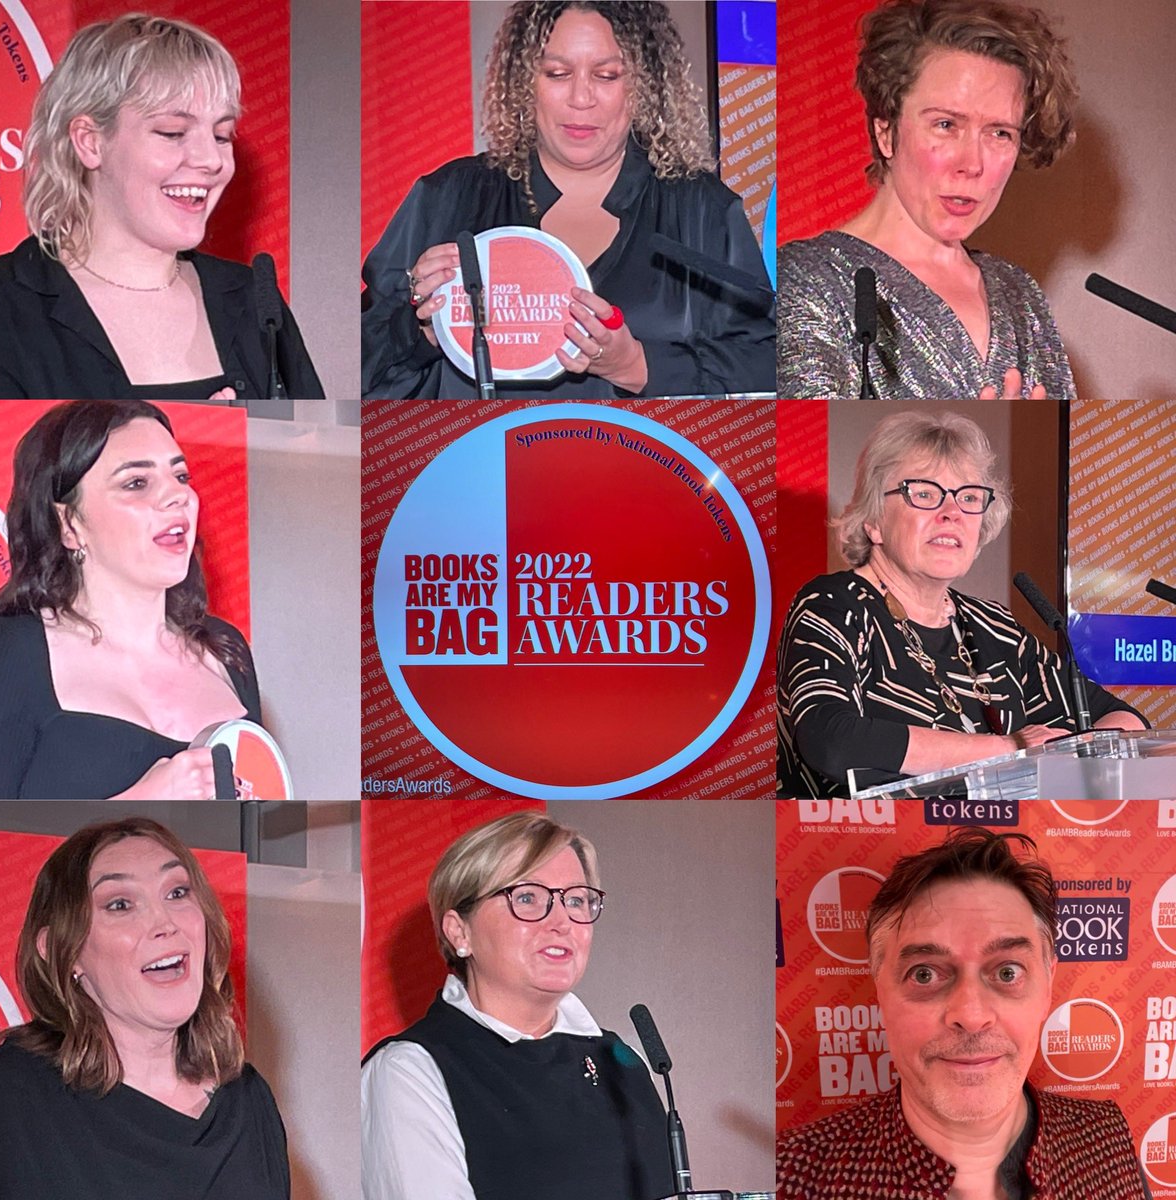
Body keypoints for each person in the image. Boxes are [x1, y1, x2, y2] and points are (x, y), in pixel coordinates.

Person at [361, 0, 774, 400]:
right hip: (478, 464)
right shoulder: (448, 198)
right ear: (525, 83)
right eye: (557, 73)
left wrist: (637, 365)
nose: (581, 98)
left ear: (646, 86)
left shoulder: (701, 209)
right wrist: (423, 331)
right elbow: (355, 369)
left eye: (607, 75)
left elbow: (768, 364)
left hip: (642, 463)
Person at [777, 410, 1145, 798]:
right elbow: (831, 739)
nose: (951, 513)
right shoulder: (833, 604)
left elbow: (1126, 718)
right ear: (874, 521)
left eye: (969, 497)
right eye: (924, 493)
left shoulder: (993, 625)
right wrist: (1011, 749)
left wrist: (1081, 759)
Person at [777, 827, 1151, 1199]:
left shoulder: (1107, 1137)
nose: (971, 1015)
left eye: (1008, 972)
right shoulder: (793, 1174)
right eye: (924, 974)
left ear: (1048, 986)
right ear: (880, 992)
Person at [0, 14, 323, 401]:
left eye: (222, 135)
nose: (212, 159)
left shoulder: (253, 301)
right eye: (173, 132)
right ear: (90, 142)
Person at [360, 812, 672, 1200]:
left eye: (576, 899)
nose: (562, 921)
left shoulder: (622, 1063)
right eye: (527, 897)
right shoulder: (409, 1071)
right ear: (460, 931)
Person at [777, 0, 1079, 400]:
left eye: (1000, 133)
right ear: (886, 132)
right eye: (946, 125)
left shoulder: (1018, 294)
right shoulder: (803, 281)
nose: (972, 164)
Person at [0, 817, 290, 1199]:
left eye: (176, 893)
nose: (164, 923)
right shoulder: (8, 1095)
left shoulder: (248, 1098)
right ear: (62, 950)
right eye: (120, 904)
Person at [0, 400, 261, 799]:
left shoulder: (227, 649)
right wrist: (147, 798)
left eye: (181, 475)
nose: (178, 496)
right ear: (69, 524)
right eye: (136, 483)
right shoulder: (10, 652)